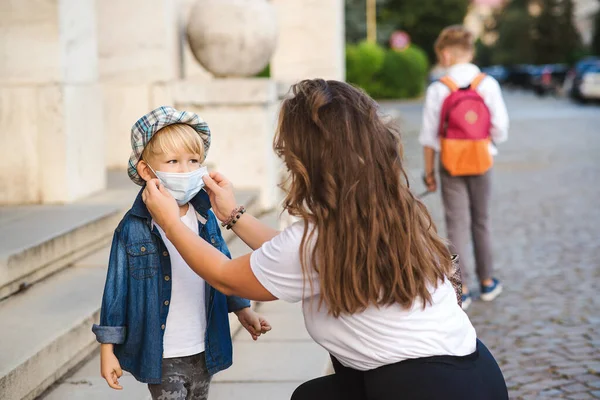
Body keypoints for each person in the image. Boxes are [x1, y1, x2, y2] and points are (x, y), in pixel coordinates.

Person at [142, 79, 509, 399]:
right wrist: (233, 216)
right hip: (475, 374)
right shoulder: (386, 207)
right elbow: (294, 255)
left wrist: (171, 223)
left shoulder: (318, 236)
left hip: (423, 388)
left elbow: (226, 275)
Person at [91, 106, 271, 400]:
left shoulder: (204, 217)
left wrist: (242, 308)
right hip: (161, 352)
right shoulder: (133, 228)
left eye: (193, 161)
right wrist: (107, 350)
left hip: (204, 345)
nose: (186, 170)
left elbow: (223, 266)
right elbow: (115, 292)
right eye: (173, 161)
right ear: (147, 170)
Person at [420, 25, 509, 310]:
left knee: (455, 224)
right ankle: (488, 282)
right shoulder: (488, 84)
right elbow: (501, 130)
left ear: (445, 54)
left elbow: (429, 137)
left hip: (450, 164)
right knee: (481, 221)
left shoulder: (438, 88)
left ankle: (463, 288)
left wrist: (430, 173)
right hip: (482, 159)